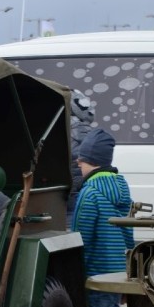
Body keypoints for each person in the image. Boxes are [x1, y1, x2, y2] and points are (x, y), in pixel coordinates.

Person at [72, 128, 134, 307]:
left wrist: (76, 274)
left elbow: (82, 238)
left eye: (80, 161)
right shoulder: (122, 188)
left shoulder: (89, 193)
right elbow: (128, 233)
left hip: (95, 275)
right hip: (117, 275)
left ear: (90, 160)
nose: (78, 164)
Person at [66, 89, 95, 227]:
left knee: (69, 217)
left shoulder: (66, 126)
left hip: (70, 181)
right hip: (82, 181)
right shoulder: (88, 130)